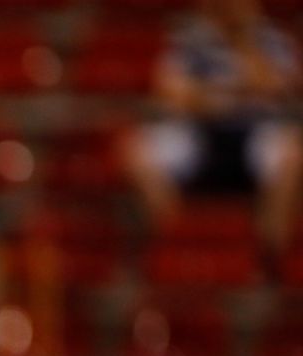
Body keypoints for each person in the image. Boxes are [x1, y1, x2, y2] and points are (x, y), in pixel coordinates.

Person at [125, 0, 302, 263]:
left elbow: (278, 87)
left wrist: (243, 41)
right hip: (198, 132)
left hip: (256, 132)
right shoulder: (191, 40)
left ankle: (269, 258)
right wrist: (234, 94)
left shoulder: (272, 39)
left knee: (292, 156)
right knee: (136, 152)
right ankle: (180, 245)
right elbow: (171, 93)